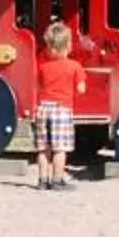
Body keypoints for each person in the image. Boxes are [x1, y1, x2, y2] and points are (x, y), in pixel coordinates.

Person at [32, 20, 82, 192]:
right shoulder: (75, 66)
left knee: (43, 148)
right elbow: (81, 89)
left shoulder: (42, 66)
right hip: (61, 109)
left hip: (43, 108)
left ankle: (42, 180)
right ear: (68, 45)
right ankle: (57, 180)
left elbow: (36, 84)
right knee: (60, 149)